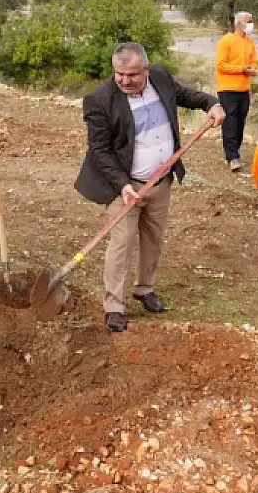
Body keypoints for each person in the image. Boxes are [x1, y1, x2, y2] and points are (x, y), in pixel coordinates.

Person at [75, 42, 226, 333]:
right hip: (125, 187)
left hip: (161, 180)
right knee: (122, 244)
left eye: (131, 74)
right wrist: (122, 185)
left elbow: (185, 95)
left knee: (153, 239)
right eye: (119, 74)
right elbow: (99, 150)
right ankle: (114, 306)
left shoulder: (160, 77)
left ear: (145, 69)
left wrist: (212, 103)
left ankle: (145, 289)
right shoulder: (99, 100)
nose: (124, 81)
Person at [215, 11, 258, 172]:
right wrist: (241, 69)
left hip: (244, 89)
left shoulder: (250, 43)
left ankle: (235, 151)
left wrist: (253, 69)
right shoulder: (226, 41)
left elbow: (254, 62)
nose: (251, 24)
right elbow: (220, 65)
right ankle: (232, 156)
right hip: (227, 89)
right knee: (230, 122)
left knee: (240, 122)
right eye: (249, 21)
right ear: (239, 23)